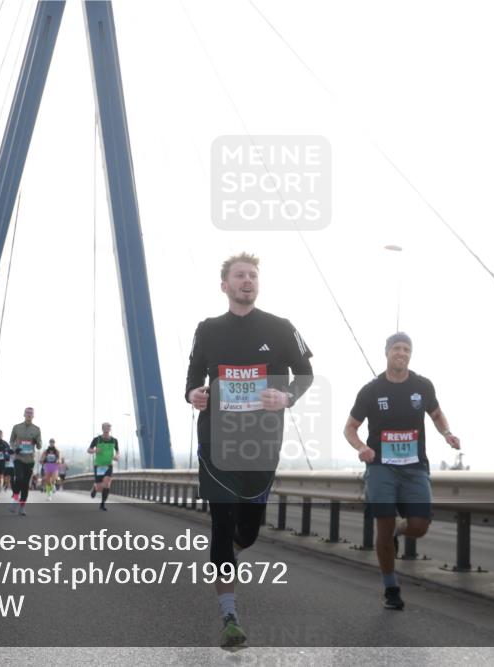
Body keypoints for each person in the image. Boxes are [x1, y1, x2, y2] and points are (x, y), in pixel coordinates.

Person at [185, 252, 313, 648]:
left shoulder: (280, 328)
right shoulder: (207, 329)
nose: (247, 280)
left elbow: (305, 374)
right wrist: (193, 394)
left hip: (262, 443)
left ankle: (225, 557)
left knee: (249, 532)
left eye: (253, 275)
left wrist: (287, 396)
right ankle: (229, 616)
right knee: (222, 526)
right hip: (217, 442)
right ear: (224, 285)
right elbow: (193, 376)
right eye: (240, 275)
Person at [343, 332, 461, 610]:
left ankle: (399, 529)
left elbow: (436, 414)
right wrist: (361, 447)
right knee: (382, 528)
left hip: (414, 467)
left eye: (406, 349)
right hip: (381, 468)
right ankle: (391, 587)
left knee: (419, 527)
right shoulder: (371, 390)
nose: (401, 353)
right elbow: (350, 428)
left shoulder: (422, 386)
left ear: (411, 354)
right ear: (386, 352)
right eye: (396, 348)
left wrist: (447, 433)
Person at [8, 407, 42, 515]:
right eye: (27, 413)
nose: (29, 414)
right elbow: (11, 441)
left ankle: (22, 507)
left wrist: (37, 442)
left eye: (31, 413)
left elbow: (40, 445)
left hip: (30, 460)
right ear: (24, 414)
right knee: (19, 478)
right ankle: (15, 499)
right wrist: (15, 448)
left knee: (25, 484)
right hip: (19, 458)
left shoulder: (37, 429)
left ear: (33, 416)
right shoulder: (16, 427)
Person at [87, 423, 118, 510]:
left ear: (110, 429)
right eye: (105, 428)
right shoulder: (97, 439)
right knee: (100, 487)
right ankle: (95, 487)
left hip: (108, 465)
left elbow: (118, 452)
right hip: (99, 465)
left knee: (107, 484)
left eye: (108, 428)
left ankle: (102, 504)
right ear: (102, 429)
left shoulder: (114, 440)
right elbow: (89, 450)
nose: (107, 429)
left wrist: (116, 456)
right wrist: (95, 450)